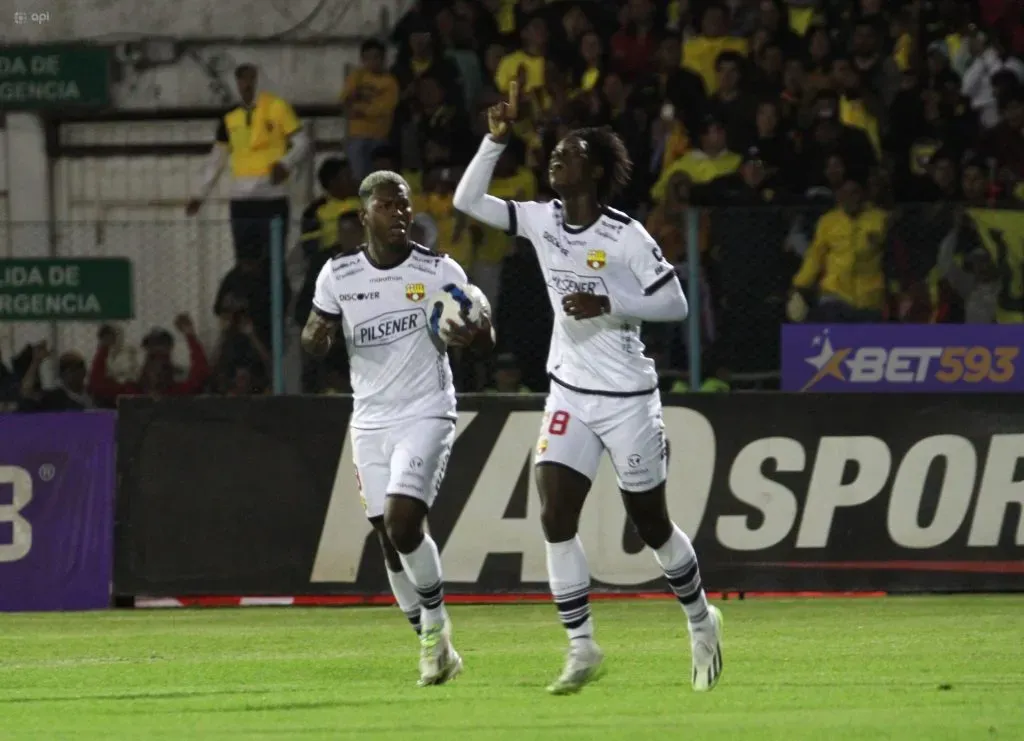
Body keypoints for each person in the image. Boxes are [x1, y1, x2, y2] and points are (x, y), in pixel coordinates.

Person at [452, 82, 723, 695]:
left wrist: (609, 297)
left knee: (651, 526)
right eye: (552, 154)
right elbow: (468, 200)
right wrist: (496, 141)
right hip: (569, 390)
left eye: (567, 154)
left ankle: (702, 619)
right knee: (552, 512)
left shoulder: (627, 235)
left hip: (628, 400)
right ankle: (582, 646)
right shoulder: (542, 219)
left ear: (594, 171)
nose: (555, 160)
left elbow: (675, 303)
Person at [300, 170, 494, 687]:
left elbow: (485, 332)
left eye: (405, 205)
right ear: (364, 216)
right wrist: (316, 340)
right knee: (389, 541)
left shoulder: (438, 270)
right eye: (388, 206)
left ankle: (434, 632)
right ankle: (437, 646)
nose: (400, 214)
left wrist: (473, 329)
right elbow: (312, 336)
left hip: (426, 410)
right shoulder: (338, 275)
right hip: (370, 420)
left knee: (405, 524)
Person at [186, 64, 310, 263]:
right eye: (242, 79)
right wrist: (200, 194)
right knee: (245, 262)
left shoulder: (277, 107)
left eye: (251, 78)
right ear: (236, 83)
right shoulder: (229, 118)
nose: (247, 84)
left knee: (274, 260)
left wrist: (285, 164)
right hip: (242, 200)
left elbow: (302, 142)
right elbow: (217, 159)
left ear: (259, 80)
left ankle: (274, 294)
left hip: (272, 197)